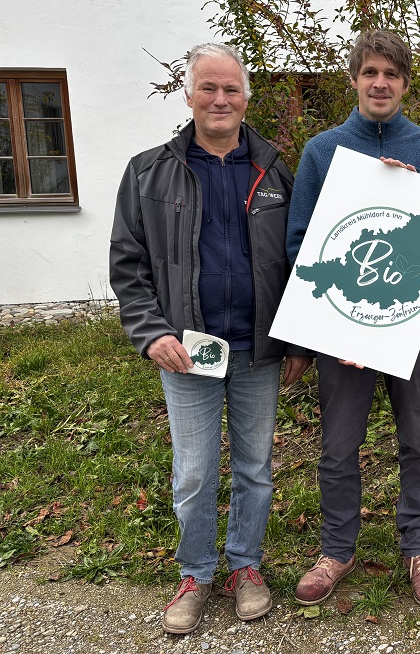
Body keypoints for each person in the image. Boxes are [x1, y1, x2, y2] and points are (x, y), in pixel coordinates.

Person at [110, 43, 311, 635]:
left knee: (255, 467)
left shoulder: (274, 171)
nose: (220, 100)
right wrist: (150, 334)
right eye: (209, 89)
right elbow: (129, 262)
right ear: (190, 94)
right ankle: (196, 573)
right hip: (187, 350)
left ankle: (245, 567)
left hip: (257, 349)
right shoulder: (149, 172)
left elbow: (302, 261)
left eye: (231, 90)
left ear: (246, 98)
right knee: (195, 472)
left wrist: (297, 338)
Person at [288, 30, 420, 608]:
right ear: (354, 80)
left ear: (405, 83)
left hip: (417, 326)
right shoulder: (323, 150)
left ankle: (419, 549)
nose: (380, 83)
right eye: (370, 72)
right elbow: (300, 242)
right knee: (338, 448)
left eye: (391, 74)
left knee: (418, 441)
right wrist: (337, 326)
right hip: (343, 326)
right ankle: (336, 551)